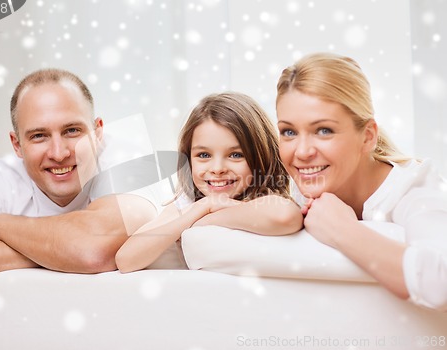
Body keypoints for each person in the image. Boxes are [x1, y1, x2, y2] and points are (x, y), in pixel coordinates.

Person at [0, 68, 156, 283]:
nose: (59, 153)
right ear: (17, 145)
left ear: (97, 132)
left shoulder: (129, 159)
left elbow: (93, 252)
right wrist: (56, 253)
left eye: (72, 130)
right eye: (39, 136)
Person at [275, 52, 447, 311]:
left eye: (324, 130)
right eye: (289, 132)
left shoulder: (414, 190)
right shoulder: (299, 186)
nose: (301, 152)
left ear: (367, 136)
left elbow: (441, 281)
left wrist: (342, 230)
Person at [115, 92, 304, 273]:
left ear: (262, 156)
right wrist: (204, 206)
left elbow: (286, 216)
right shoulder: (186, 205)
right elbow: (126, 260)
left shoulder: (264, 198)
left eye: (236, 155)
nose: (217, 168)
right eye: (204, 155)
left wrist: (207, 215)